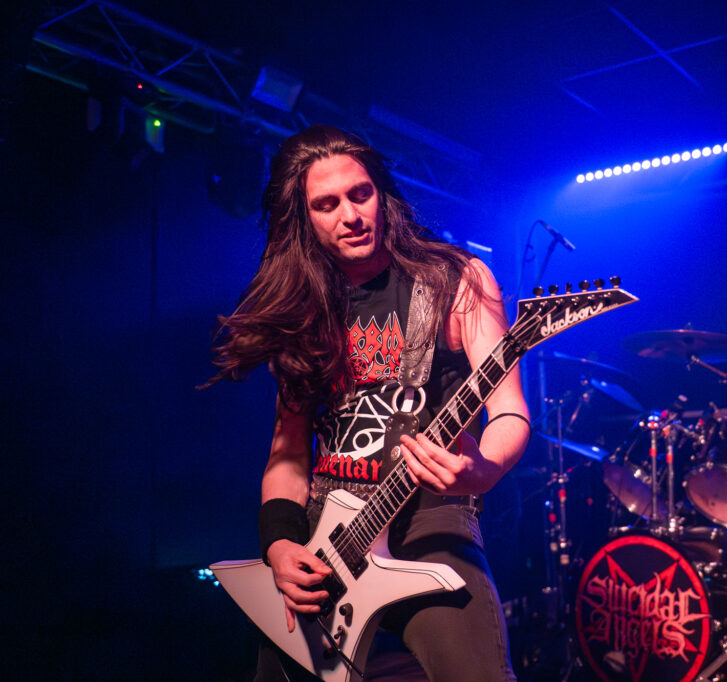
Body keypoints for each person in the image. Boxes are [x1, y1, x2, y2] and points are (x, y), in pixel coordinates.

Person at [207, 125, 530, 681]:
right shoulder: (302, 309)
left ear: (383, 194)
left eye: (361, 194)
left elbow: (509, 409)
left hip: (429, 521)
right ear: (304, 218)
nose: (350, 215)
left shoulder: (454, 278)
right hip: (326, 539)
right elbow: (287, 456)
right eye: (327, 204)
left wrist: (485, 468)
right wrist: (280, 545)